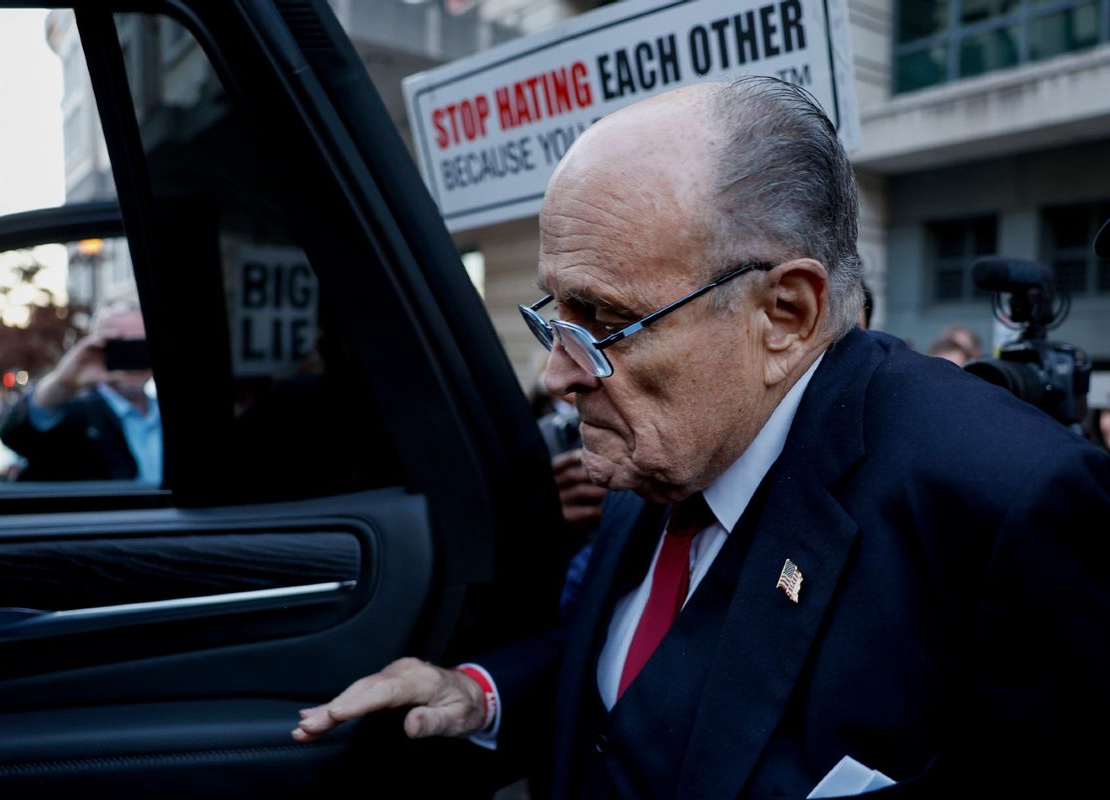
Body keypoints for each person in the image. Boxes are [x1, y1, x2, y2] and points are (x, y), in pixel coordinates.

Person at [292, 78, 1110, 798]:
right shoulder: (668, 442)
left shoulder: (1011, 508)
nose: (558, 377)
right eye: (553, 317)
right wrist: (481, 692)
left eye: (606, 323)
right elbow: (632, 674)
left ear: (784, 314)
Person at [0, 300, 162, 482]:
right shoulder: (72, 414)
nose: (132, 357)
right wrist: (63, 383)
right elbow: (16, 434)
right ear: (97, 346)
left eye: (142, 345)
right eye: (119, 346)